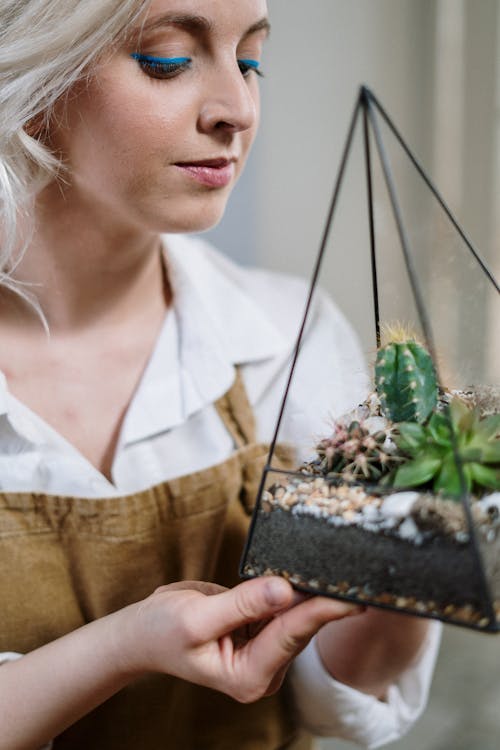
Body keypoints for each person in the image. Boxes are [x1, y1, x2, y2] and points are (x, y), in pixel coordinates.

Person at [0, 1, 441, 748]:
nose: (237, 108)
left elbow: (337, 695)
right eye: (167, 60)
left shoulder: (287, 339)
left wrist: (411, 586)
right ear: (35, 86)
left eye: (251, 60)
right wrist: (123, 646)